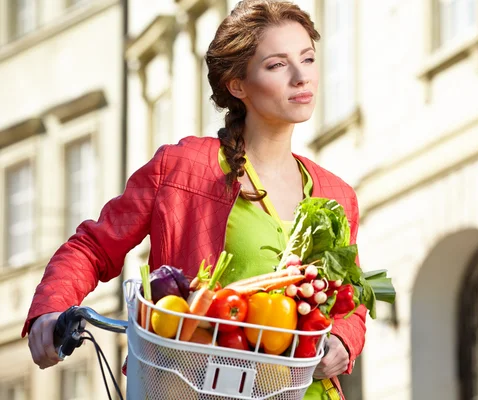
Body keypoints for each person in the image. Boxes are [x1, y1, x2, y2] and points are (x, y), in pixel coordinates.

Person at [23, 1, 366, 398]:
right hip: (193, 386)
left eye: (307, 59)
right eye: (277, 65)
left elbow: (349, 301)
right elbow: (93, 247)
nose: (300, 76)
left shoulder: (337, 194)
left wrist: (342, 340)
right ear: (237, 84)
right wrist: (51, 309)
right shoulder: (182, 167)